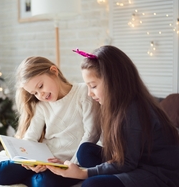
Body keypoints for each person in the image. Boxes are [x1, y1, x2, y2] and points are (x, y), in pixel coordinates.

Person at [47, 46, 179, 187]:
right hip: (135, 163)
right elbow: (118, 155)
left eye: (93, 86)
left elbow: (127, 162)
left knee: (91, 184)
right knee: (86, 151)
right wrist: (75, 167)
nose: (89, 94)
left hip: (156, 173)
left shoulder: (133, 110)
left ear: (114, 81)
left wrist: (83, 174)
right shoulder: (117, 106)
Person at [0, 56, 100, 187]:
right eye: (35, 93)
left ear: (54, 71)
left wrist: (71, 165)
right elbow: (30, 137)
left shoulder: (83, 92)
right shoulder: (42, 105)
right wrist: (30, 162)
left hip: (69, 163)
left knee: (44, 182)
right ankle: (33, 177)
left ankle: (31, 180)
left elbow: (91, 134)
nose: (40, 95)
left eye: (41, 86)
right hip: (44, 160)